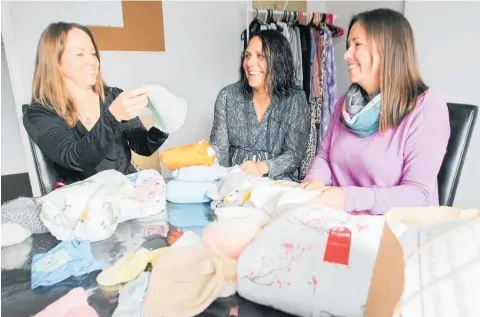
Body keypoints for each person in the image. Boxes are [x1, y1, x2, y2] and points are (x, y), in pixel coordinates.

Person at [300, 9, 450, 215]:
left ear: (386, 49)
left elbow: (417, 194)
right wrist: (314, 181)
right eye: (348, 46)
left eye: (357, 44)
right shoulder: (344, 105)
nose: (346, 55)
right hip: (342, 222)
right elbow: (324, 157)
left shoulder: (427, 107)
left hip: (393, 232)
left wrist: (348, 198)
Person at [23, 22, 168, 184]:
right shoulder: (39, 114)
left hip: (129, 191)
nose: (93, 62)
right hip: (83, 202)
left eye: (93, 54)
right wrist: (113, 117)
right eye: (80, 54)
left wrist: (163, 125)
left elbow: (143, 147)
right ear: (54, 61)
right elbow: (76, 159)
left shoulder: (112, 96)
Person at [210, 30, 310, 181]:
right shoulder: (227, 96)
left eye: (260, 56)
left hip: (279, 185)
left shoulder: (295, 99)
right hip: (236, 184)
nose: (249, 63)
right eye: (247, 55)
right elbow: (219, 150)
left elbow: (294, 154)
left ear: (278, 60)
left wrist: (262, 167)